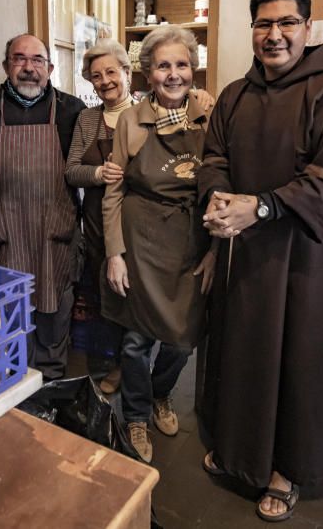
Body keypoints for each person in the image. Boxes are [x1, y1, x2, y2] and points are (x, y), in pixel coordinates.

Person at [198, 0, 323, 522]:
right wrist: (220, 202)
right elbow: (212, 158)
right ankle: (240, 454)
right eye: (264, 24)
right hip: (242, 255)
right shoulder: (234, 95)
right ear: (253, 31)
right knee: (241, 352)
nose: (275, 34)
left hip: (301, 257)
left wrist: (262, 207)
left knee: (296, 362)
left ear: (308, 27)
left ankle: (286, 470)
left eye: (287, 22)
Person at [102, 25, 216, 464]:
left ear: (193, 68)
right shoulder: (131, 120)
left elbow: (223, 187)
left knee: (182, 340)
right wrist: (115, 252)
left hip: (190, 240)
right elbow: (113, 190)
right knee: (134, 341)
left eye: (182, 64)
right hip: (140, 240)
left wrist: (213, 250)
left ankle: (160, 394)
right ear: (148, 73)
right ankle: (135, 414)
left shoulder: (209, 116)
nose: (173, 74)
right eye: (163, 66)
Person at [0, 34, 86, 380]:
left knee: (54, 313)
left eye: (37, 60)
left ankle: (50, 381)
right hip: (6, 233)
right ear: (6, 65)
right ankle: (13, 385)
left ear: (50, 68)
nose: (28, 68)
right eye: (19, 59)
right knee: (8, 312)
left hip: (55, 232)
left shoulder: (72, 110)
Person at [65, 39, 135, 394]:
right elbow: (71, 170)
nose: (105, 80)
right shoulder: (87, 119)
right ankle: (111, 364)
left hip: (137, 224)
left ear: (127, 72)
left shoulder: (145, 113)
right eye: (96, 76)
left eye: (111, 72)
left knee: (134, 298)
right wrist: (97, 175)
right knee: (103, 297)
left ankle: (135, 368)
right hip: (95, 223)